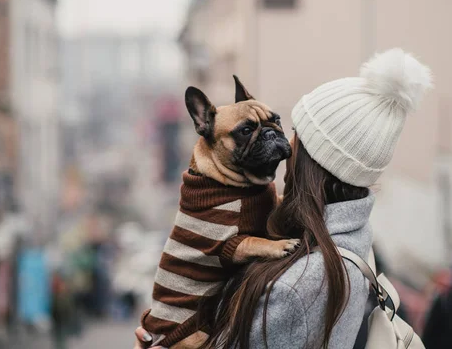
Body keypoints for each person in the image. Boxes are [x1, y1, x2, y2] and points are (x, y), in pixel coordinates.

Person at [134, 48, 433, 348]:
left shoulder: (295, 289)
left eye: (292, 132)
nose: (283, 140)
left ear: (314, 160)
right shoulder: (352, 238)